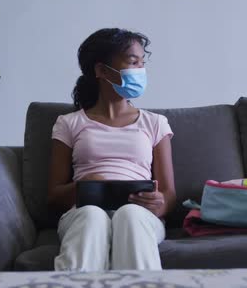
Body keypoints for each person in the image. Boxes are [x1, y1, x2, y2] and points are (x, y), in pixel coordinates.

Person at [47, 28, 176, 271]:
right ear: (102, 71)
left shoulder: (155, 123)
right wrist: (85, 186)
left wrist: (160, 202)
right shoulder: (69, 123)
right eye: (132, 62)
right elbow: (53, 196)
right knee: (92, 217)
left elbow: (169, 193)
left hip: (139, 214)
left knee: (130, 215)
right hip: (83, 211)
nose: (140, 70)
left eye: (142, 63)